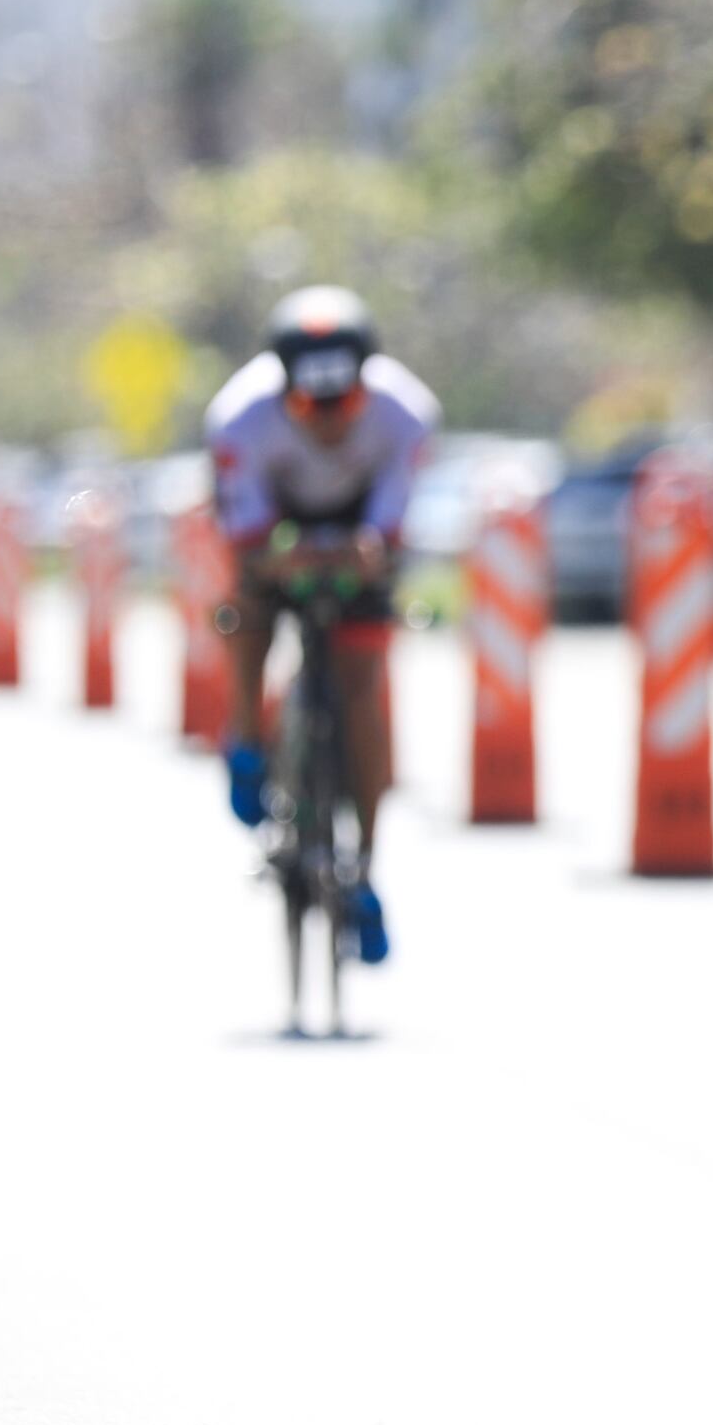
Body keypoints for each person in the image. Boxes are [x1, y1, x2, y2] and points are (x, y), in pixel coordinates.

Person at [204, 286, 439, 965]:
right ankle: (247, 730)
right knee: (244, 610)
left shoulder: (407, 415)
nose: (332, 424)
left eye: (346, 407)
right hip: (275, 523)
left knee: (361, 682)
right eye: (312, 408)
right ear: (285, 393)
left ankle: (364, 865)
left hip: (362, 525)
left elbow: (392, 520)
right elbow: (245, 537)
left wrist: (370, 551)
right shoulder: (238, 421)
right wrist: (278, 559)